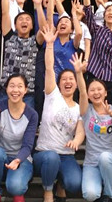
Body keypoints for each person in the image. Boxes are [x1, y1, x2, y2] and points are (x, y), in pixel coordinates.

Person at [34, 25, 85, 202]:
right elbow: (49, 68)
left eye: (71, 79)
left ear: (76, 84)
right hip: (45, 154)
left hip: (66, 155)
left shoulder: (78, 107)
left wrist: (76, 141)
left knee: (75, 184)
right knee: (51, 157)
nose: (68, 82)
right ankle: (48, 191)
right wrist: (49, 45)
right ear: (59, 82)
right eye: (64, 79)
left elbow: (80, 130)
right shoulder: (52, 94)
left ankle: (61, 184)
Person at [75, 55, 112, 202]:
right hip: (92, 163)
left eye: (99, 89)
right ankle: (99, 185)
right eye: (92, 90)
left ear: (105, 93)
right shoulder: (86, 111)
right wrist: (79, 73)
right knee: (90, 195)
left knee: (105, 157)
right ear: (89, 95)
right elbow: (82, 92)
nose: (96, 93)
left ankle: (108, 195)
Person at [0, 74, 39, 202]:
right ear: (6, 89)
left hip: (21, 158)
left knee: (16, 187)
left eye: (20, 86)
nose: (15, 90)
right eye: (12, 86)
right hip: (1, 156)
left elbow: (27, 146)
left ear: (25, 90)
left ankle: (18, 188)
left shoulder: (32, 114)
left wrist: (17, 160)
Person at [0, 0, 38, 105]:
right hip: (5, 91)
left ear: (32, 26)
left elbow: (44, 26)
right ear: (15, 24)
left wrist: (38, 5)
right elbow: (5, 12)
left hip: (28, 94)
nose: (24, 21)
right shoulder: (10, 37)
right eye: (20, 19)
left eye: (27, 19)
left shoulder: (36, 41)